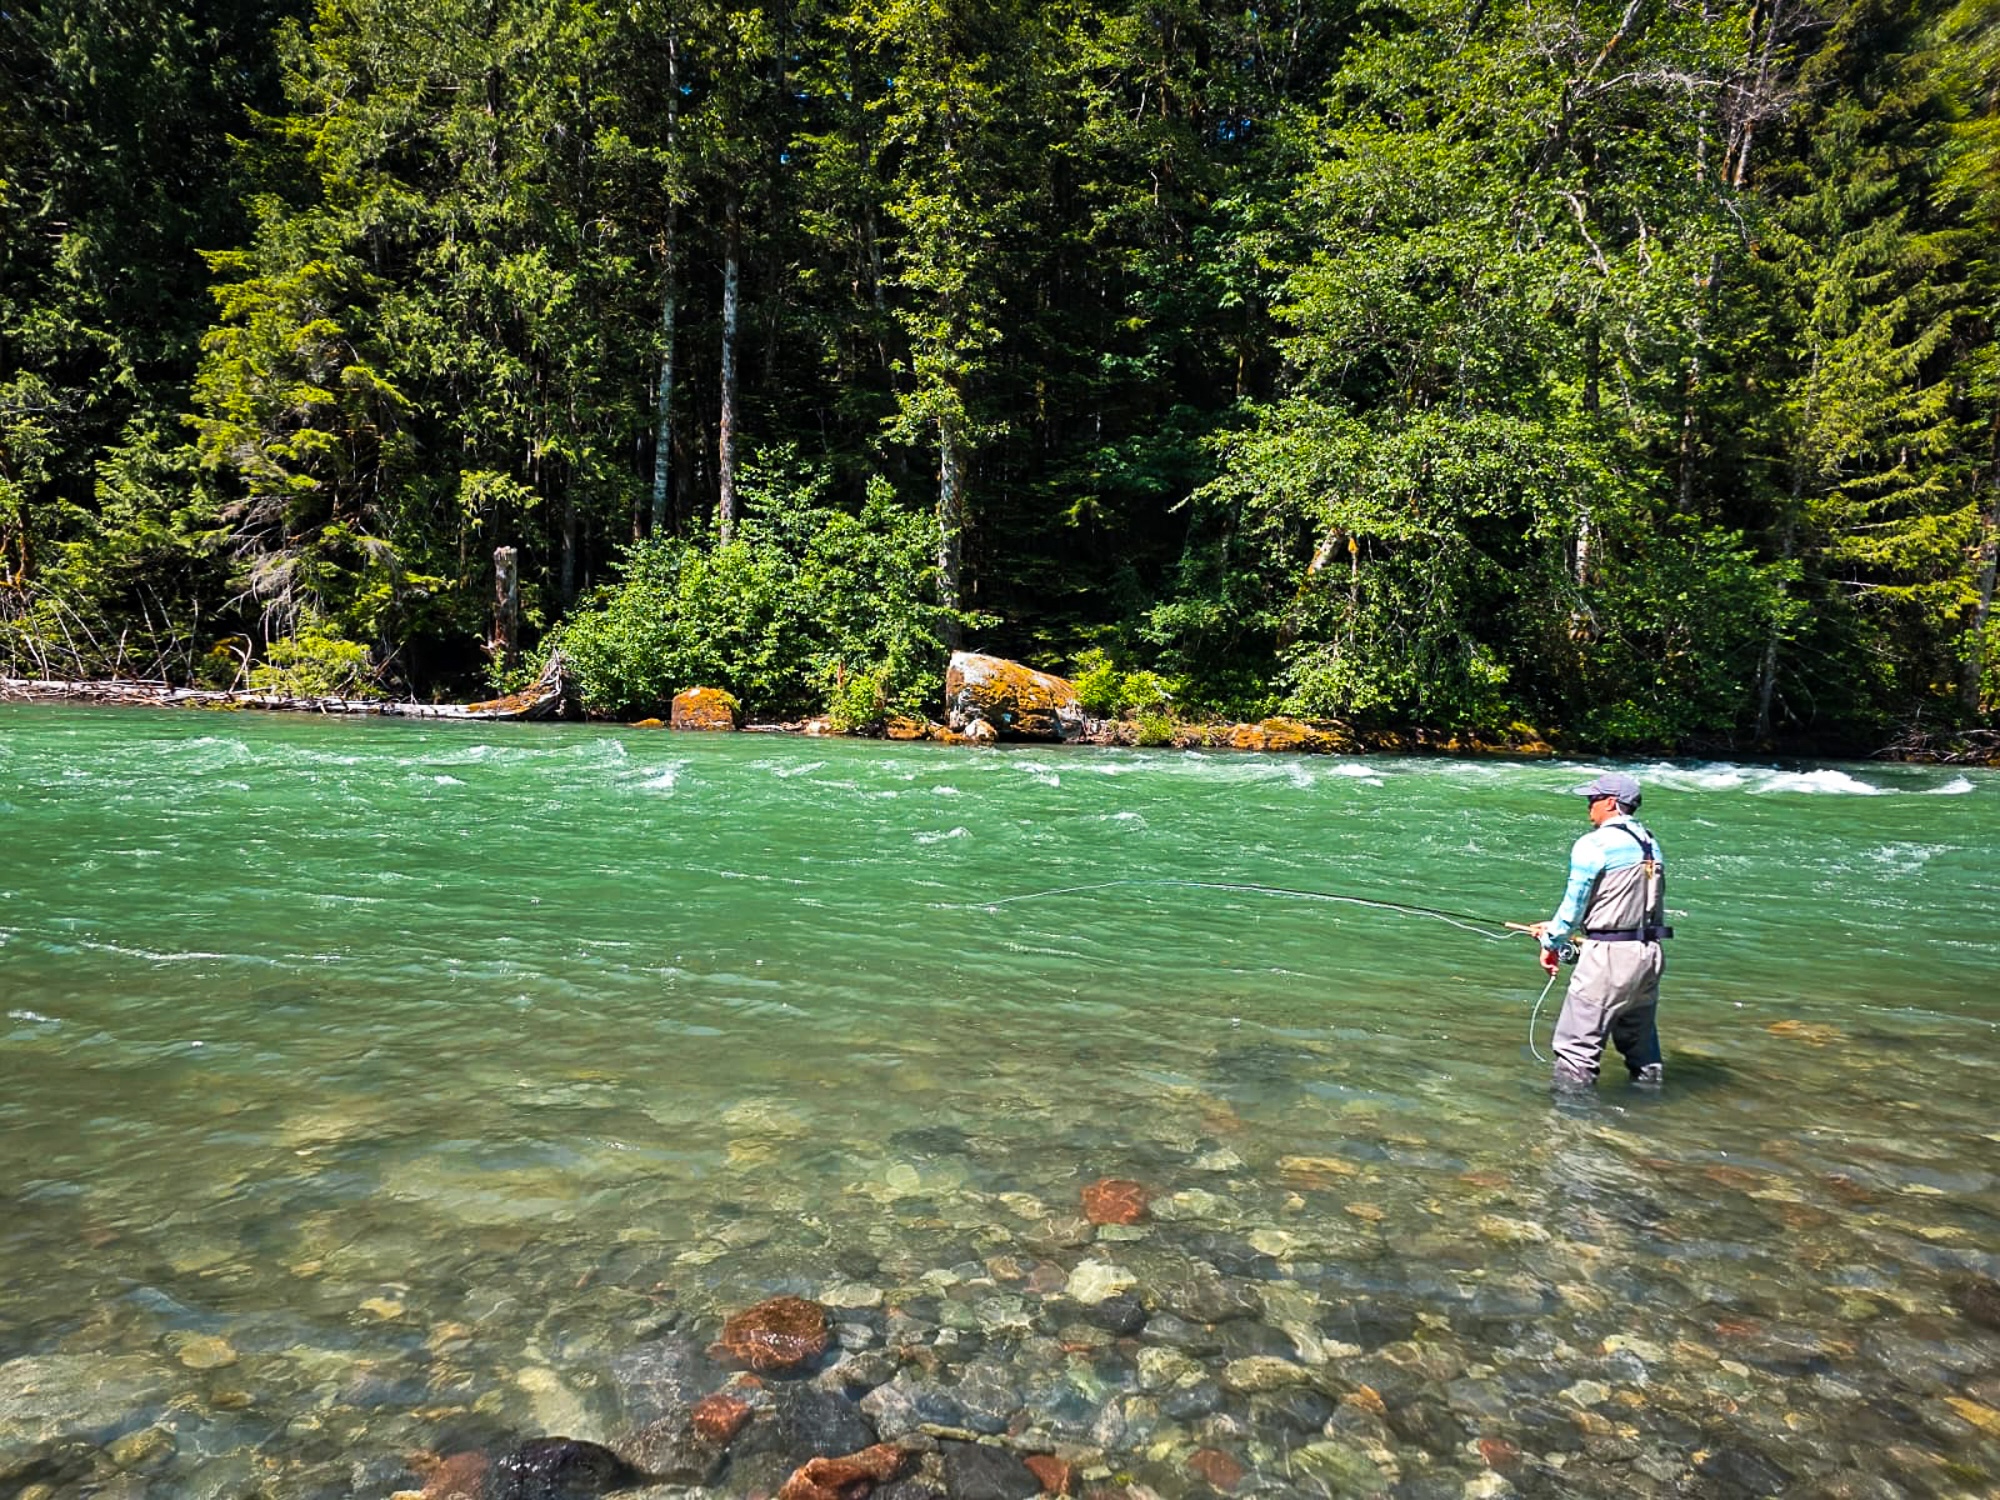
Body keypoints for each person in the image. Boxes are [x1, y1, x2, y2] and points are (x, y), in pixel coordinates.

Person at [1528, 772, 1671, 1091]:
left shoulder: (1593, 845)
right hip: (1650, 955)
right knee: (1643, 1052)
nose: (1588, 806)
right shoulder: (1651, 844)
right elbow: (1627, 907)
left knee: (1575, 1054)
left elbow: (1574, 905)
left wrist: (1552, 940)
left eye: (1593, 799)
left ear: (1611, 803)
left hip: (1607, 961)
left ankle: (1570, 1130)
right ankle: (1647, 1114)